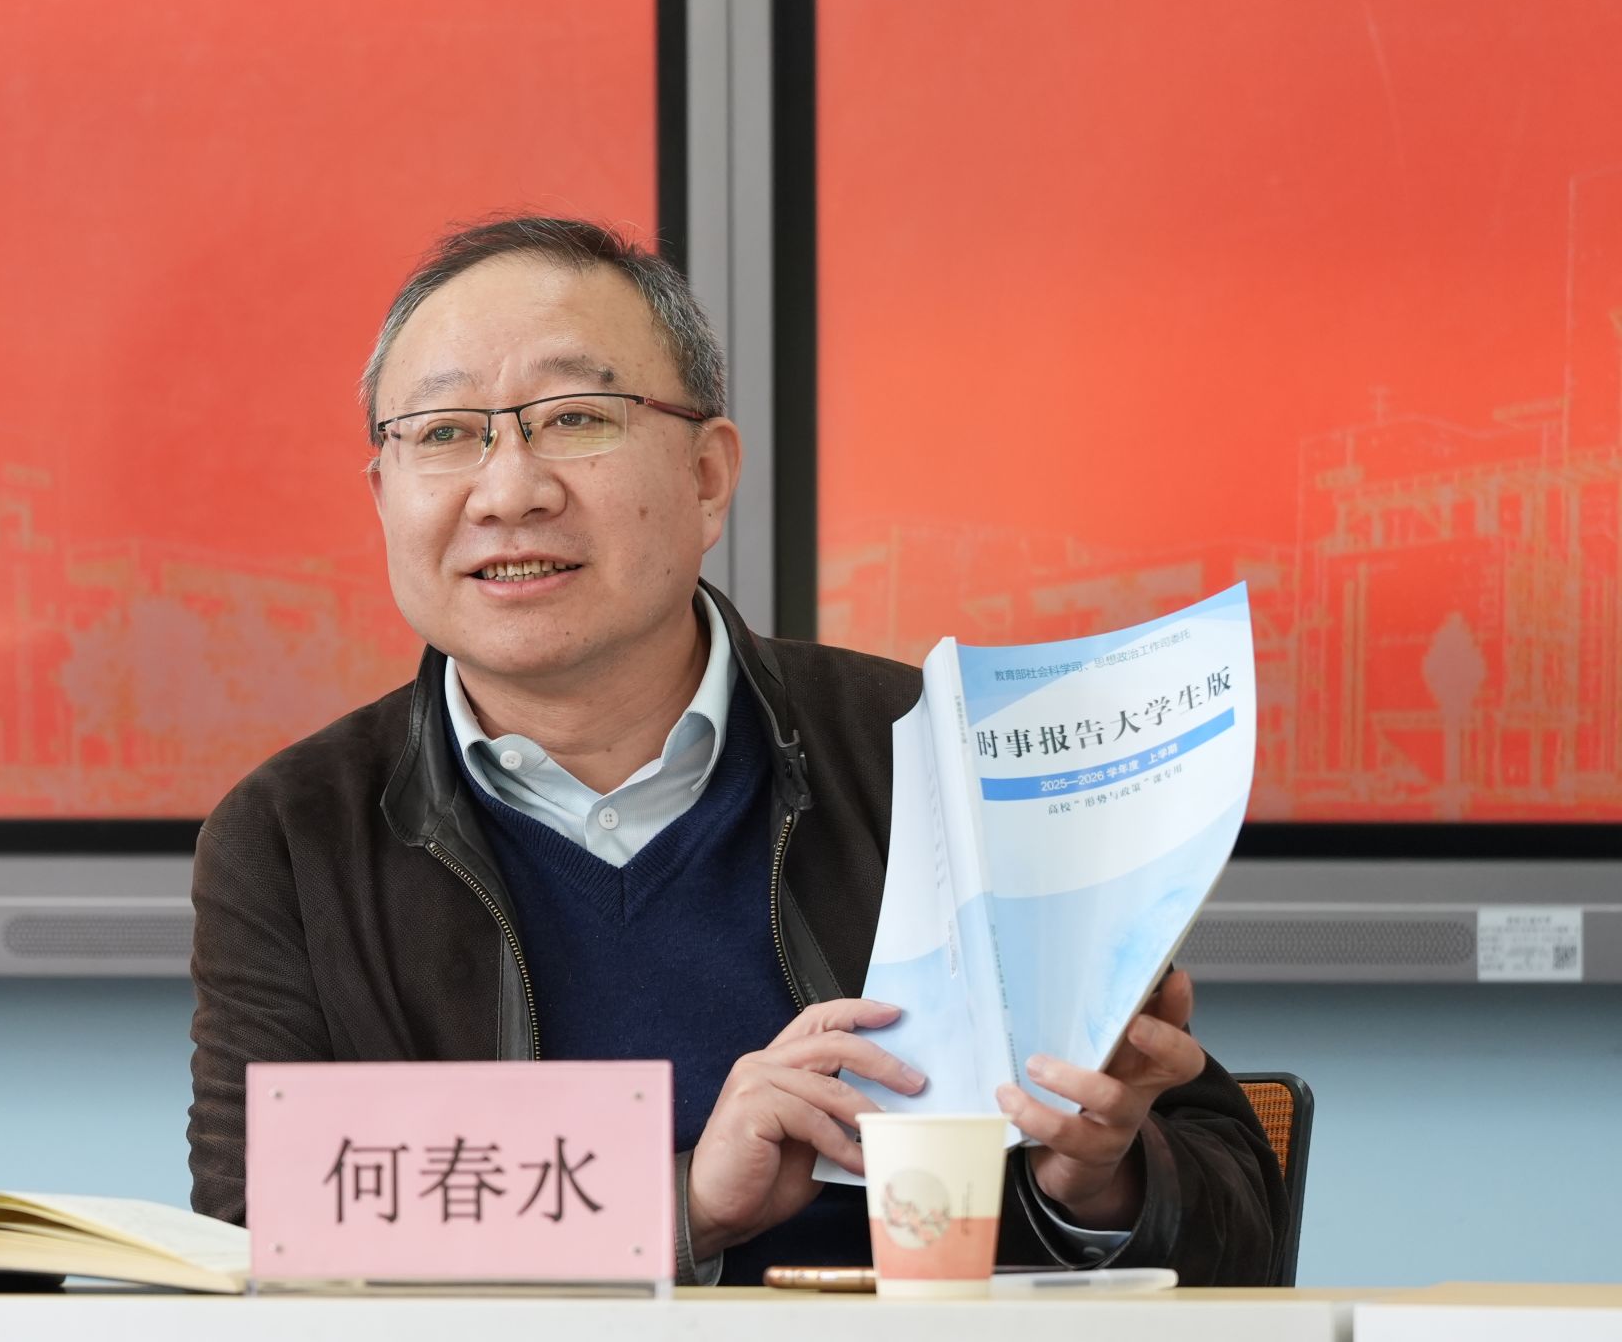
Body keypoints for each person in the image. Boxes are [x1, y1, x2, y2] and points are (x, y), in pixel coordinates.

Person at [187, 216, 1285, 1285]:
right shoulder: (292, 834)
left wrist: (1094, 1177)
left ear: (707, 477)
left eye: (575, 418)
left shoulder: (939, 760)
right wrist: (683, 1203)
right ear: (384, 498)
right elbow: (258, 1230)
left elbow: (1241, 1225)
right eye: (442, 434)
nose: (509, 490)